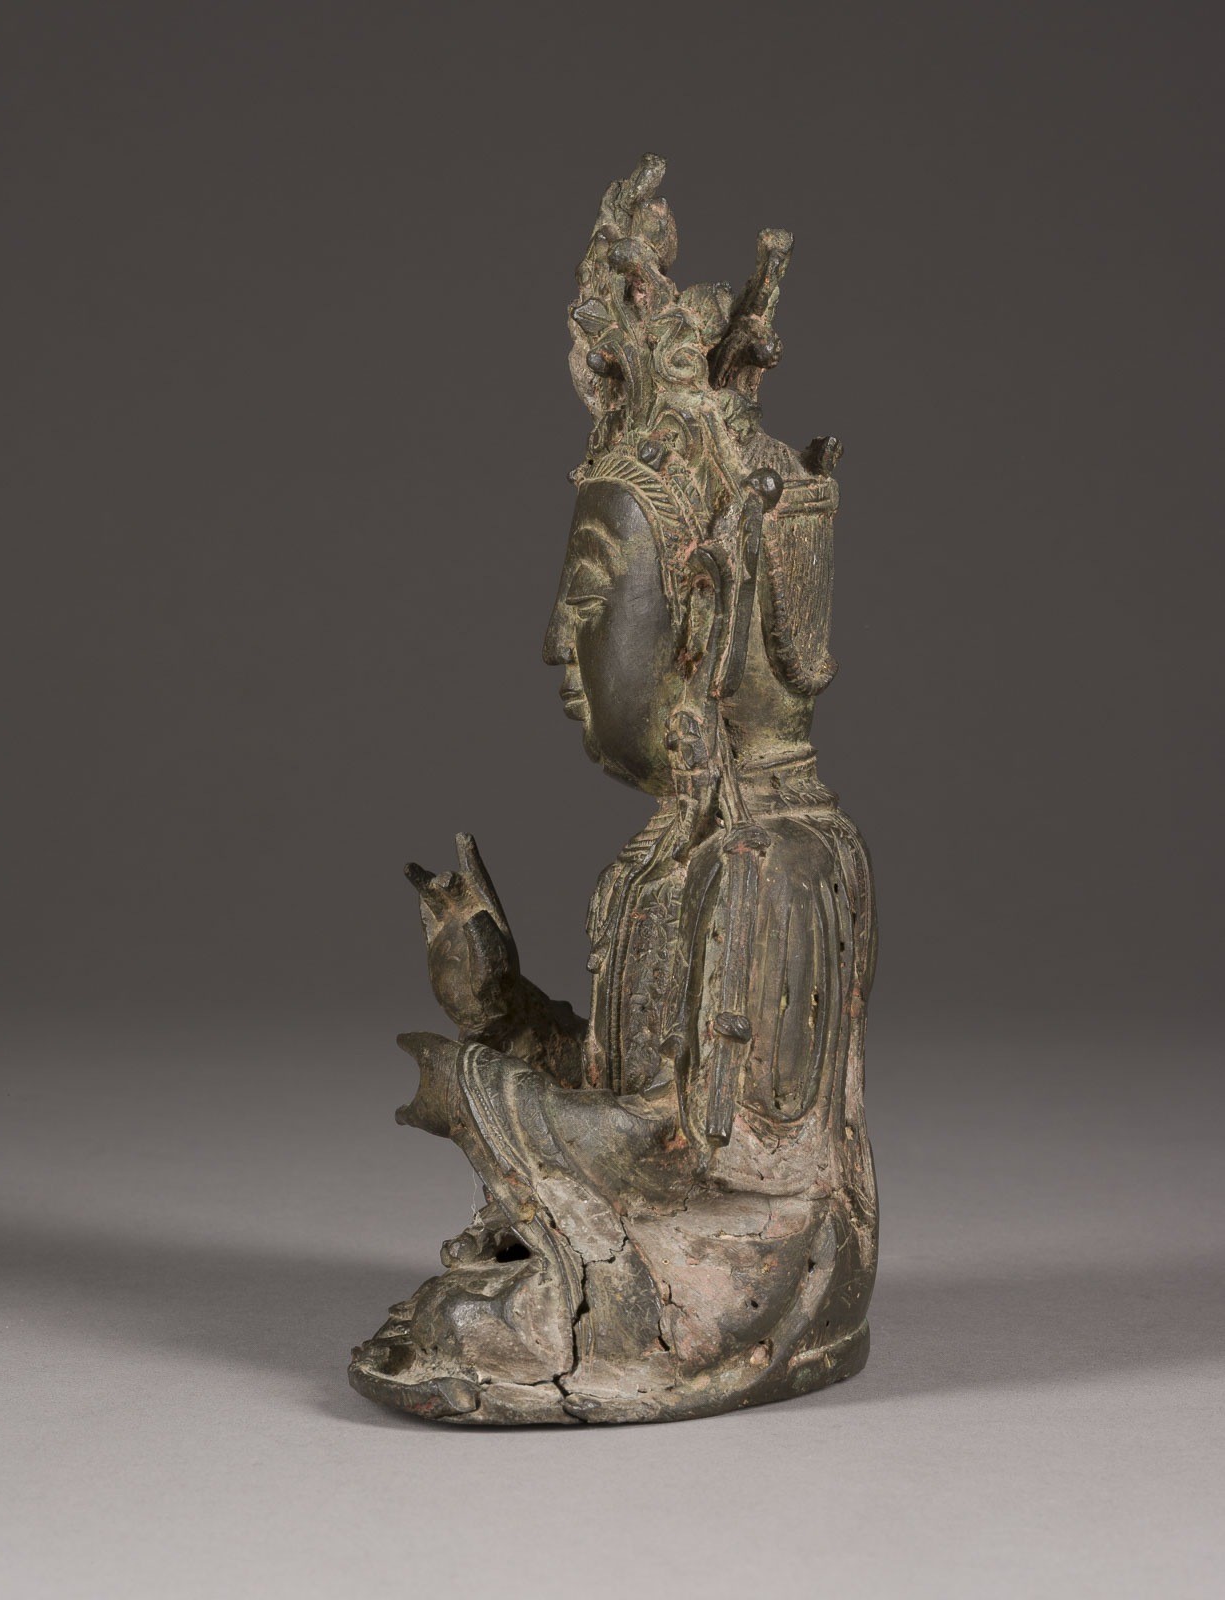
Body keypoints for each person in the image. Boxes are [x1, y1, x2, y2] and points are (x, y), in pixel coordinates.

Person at [349, 156, 878, 1424]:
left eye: (589, 596)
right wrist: (501, 1007)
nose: (553, 639)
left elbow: (712, 1169)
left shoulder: (775, 867)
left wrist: (482, 1096)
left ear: (701, 614)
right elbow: (626, 1094)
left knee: (483, 1316)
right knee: (480, 1295)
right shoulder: (683, 852)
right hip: (670, 1221)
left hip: (754, 1262)